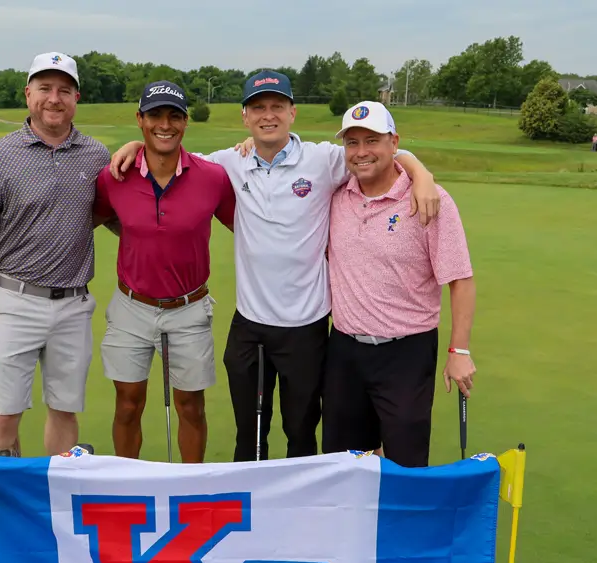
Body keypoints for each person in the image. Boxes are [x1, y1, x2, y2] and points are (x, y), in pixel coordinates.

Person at [109, 70, 441, 462]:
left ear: (292, 112)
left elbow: (375, 151)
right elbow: (168, 155)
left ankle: (298, 511)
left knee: (301, 429)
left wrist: (420, 172)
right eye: (259, 108)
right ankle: (251, 513)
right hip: (250, 324)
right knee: (248, 435)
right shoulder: (226, 164)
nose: (269, 115)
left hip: (307, 326)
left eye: (277, 107)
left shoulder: (323, 160)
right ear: (245, 117)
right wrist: (134, 144)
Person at [0, 52, 112, 459]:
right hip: (14, 302)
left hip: (74, 305)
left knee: (65, 411)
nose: (54, 98)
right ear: (28, 94)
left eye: (64, 90)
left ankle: (54, 499)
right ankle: (2, 505)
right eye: (45, 88)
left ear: (76, 97)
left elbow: (113, 214)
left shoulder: (97, 156)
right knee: (4, 416)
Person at [321, 100, 476, 468]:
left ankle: (404, 526)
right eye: (352, 142)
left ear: (394, 142)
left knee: (406, 459)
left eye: (372, 140)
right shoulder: (338, 194)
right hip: (345, 350)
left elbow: (460, 279)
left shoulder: (429, 201)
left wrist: (460, 351)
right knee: (344, 461)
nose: (361, 152)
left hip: (407, 352)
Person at [91, 81, 236, 463]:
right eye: (155, 115)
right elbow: (90, 217)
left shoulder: (212, 177)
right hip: (131, 306)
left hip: (189, 307)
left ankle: (191, 486)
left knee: (191, 406)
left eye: (174, 115)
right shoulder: (114, 177)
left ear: (185, 122)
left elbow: (248, 227)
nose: (165, 124)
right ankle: (128, 482)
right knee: (127, 404)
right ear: (140, 120)